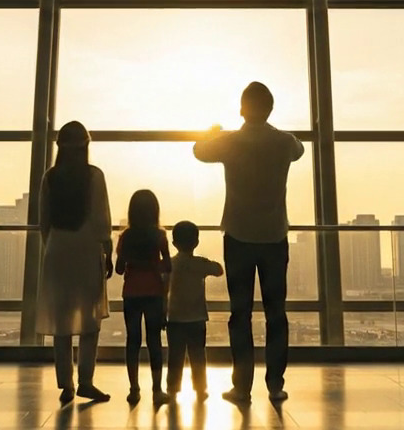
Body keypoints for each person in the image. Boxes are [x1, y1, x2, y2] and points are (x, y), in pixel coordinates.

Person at [193, 82, 304, 404]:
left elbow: (199, 152)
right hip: (274, 236)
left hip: (239, 236)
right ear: (270, 109)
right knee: (276, 313)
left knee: (239, 314)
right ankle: (275, 384)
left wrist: (212, 131)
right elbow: (299, 149)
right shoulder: (283, 142)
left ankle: (242, 387)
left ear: (241, 109)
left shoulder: (230, 142)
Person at [37, 121, 113, 404]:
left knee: (62, 321)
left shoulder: (50, 177)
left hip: (57, 249)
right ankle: (86, 381)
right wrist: (106, 248)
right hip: (85, 247)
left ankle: (66, 384)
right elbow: (100, 217)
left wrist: (52, 246)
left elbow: (44, 220)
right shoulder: (94, 176)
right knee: (90, 319)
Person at [115, 189, 172, 406]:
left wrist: (132, 262)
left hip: (131, 293)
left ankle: (134, 389)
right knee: (154, 341)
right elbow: (168, 266)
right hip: (154, 292)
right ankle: (157, 390)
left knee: (133, 341)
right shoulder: (159, 236)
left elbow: (120, 269)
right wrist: (152, 265)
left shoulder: (126, 237)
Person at [165, 220, 224, 400]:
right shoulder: (200, 264)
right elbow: (219, 270)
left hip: (174, 318)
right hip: (197, 318)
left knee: (175, 355)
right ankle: (200, 388)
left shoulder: (170, 265)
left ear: (174, 243)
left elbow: (162, 287)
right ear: (196, 242)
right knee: (198, 355)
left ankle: (173, 388)